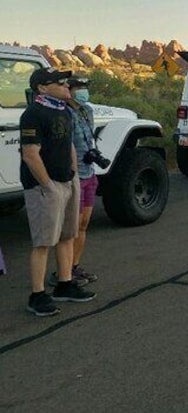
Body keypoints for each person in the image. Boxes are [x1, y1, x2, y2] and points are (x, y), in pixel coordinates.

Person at [20, 67, 96, 317]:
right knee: (43, 241)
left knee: (66, 236)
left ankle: (65, 284)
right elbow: (31, 153)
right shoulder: (33, 114)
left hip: (67, 181)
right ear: (42, 87)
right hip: (45, 187)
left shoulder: (63, 110)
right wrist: (48, 185)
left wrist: (73, 174)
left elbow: (69, 145)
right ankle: (37, 295)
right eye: (60, 82)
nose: (67, 85)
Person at [47, 77, 99, 286]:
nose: (83, 92)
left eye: (85, 87)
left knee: (83, 224)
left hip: (89, 173)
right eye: (79, 88)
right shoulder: (63, 113)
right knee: (71, 228)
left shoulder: (87, 111)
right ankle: (62, 272)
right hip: (73, 175)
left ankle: (74, 267)